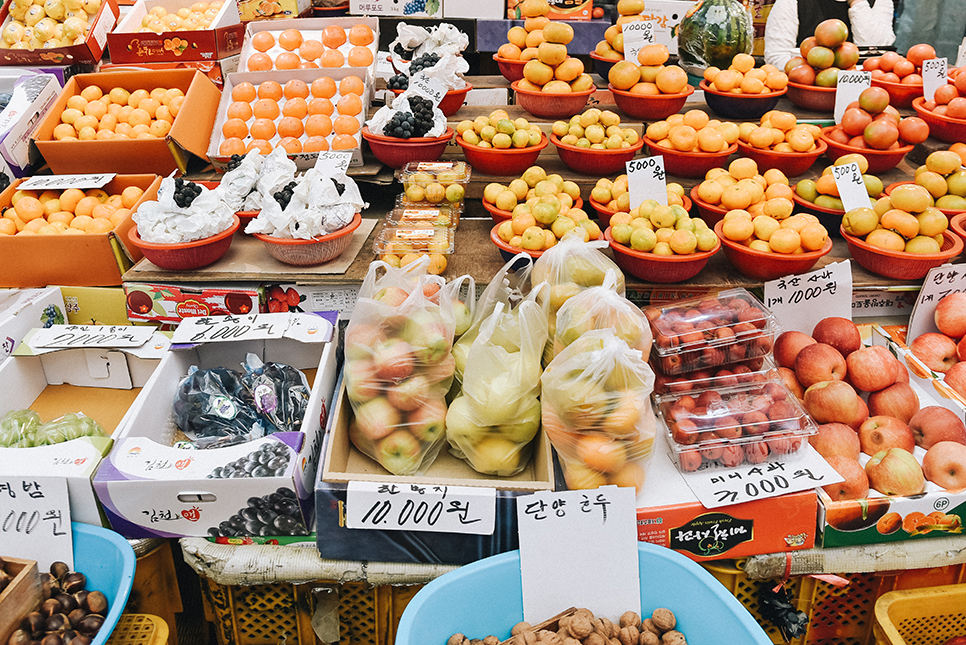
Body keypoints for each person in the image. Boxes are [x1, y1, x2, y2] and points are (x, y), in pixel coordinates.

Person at [764, 0, 896, 70]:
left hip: (864, 93)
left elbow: (879, 51)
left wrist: (857, 2)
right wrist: (814, 76)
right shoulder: (793, 2)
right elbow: (777, 57)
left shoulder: (880, 1)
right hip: (807, 92)